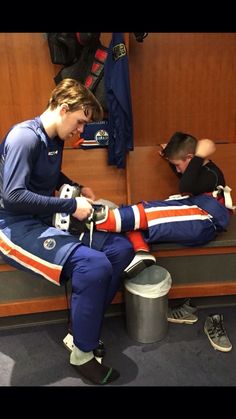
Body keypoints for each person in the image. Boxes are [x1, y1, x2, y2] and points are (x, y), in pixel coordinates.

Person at [0, 78, 136, 385]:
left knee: (120, 249)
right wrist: (70, 206)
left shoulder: (54, 139)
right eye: (79, 122)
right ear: (64, 109)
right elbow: (13, 195)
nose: (79, 131)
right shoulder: (24, 137)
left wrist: (75, 186)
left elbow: (49, 174)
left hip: (42, 217)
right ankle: (83, 354)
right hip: (11, 226)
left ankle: (79, 330)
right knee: (94, 263)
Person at [92, 132, 234, 330]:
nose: (177, 169)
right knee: (139, 213)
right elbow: (185, 176)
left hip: (207, 218)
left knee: (148, 215)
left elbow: (186, 184)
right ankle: (141, 251)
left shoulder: (211, 173)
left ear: (191, 159)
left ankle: (95, 220)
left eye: (178, 165)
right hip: (194, 209)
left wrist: (199, 156)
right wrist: (170, 157)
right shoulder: (194, 167)